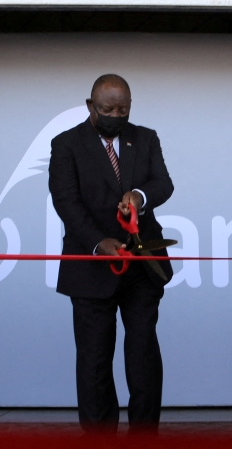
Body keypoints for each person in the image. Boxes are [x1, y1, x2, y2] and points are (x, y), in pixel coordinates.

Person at [49, 74, 174, 432]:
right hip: (91, 267)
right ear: (91, 107)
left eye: (123, 108)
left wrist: (138, 196)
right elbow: (66, 203)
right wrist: (98, 242)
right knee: (94, 361)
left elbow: (163, 183)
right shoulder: (66, 144)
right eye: (108, 109)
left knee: (143, 355)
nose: (116, 115)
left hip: (142, 267)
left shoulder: (145, 138)